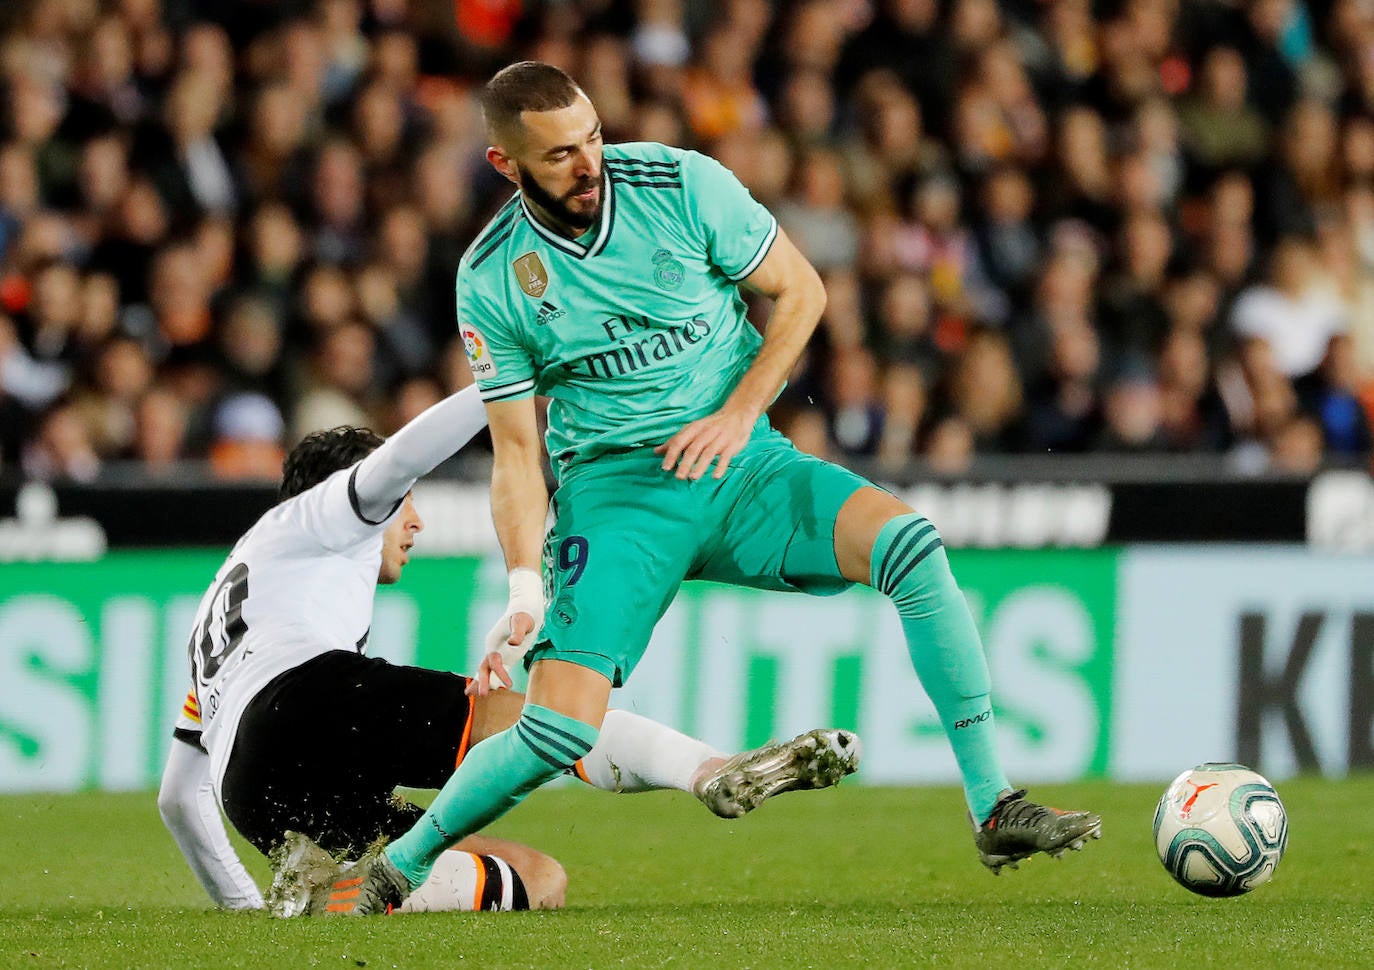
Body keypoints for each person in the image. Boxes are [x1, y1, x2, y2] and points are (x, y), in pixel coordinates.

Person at [294, 62, 1101, 917]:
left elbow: (801, 292)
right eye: (560, 154)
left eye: (594, 136)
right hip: (616, 499)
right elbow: (517, 454)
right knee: (560, 728)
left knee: (912, 547)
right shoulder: (495, 276)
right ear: (506, 165)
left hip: (745, 465)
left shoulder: (683, 185)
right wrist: (524, 586)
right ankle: (404, 866)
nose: (589, 162)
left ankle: (994, 805)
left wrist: (739, 411)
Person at [161, 384, 861, 914]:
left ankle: (330, 899)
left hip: (250, 792)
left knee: (539, 879)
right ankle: (708, 769)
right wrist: (508, 385)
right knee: (539, 717)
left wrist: (240, 908)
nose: (416, 521)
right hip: (307, 701)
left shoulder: (229, 600)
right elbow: (402, 455)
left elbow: (178, 801)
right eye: (404, 504)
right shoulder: (324, 513)